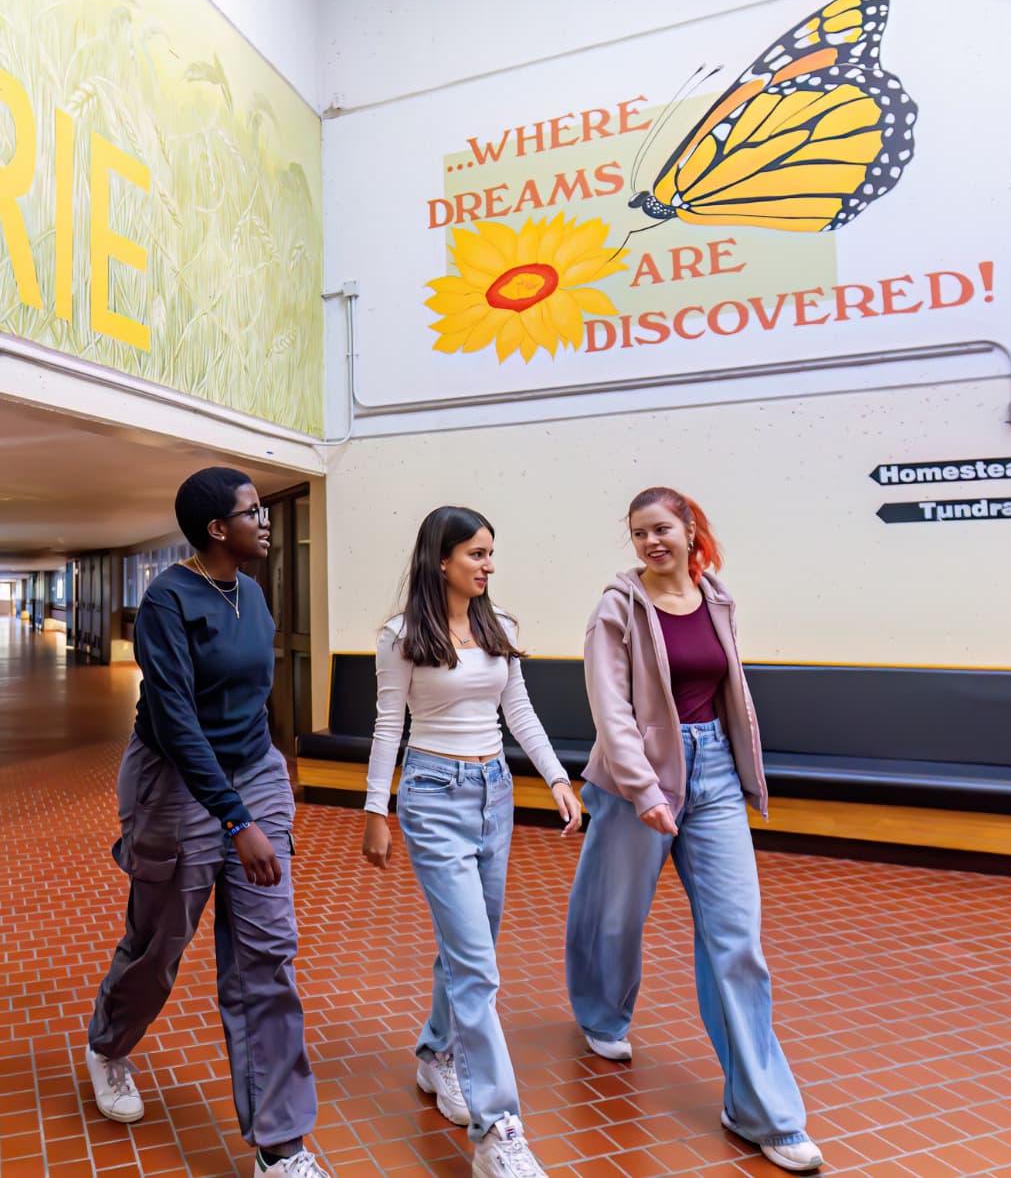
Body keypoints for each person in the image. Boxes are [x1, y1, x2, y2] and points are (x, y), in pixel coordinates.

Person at [564, 488, 824, 1173]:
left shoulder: (717, 598)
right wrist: (646, 790)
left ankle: (762, 1109)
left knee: (736, 940)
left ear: (690, 530)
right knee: (614, 916)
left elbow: (730, 691)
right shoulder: (615, 609)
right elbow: (611, 710)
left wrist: (740, 771)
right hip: (635, 780)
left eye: (663, 529)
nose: (652, 542)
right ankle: (601, 1014)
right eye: (639, 532)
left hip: (713, 781)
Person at [82, 468, 329, 1178]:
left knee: (267, 954)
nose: (265, 523)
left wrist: (267, 778)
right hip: (175, 781)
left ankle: (281, 1146)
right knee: (161, 940)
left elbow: (251, 695)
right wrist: (236, 818)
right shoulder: (167, 599)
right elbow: (175, 717)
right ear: (217, 529)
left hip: (250, 770)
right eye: (254, 513)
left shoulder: (251, 592)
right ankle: (107, 1042)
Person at [361, 507, 581, 1178]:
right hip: (431, 795)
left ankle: (438, 1053)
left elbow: (519, 710)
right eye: (476, 554)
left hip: (494, 793)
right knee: (478, 964)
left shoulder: (499, 625)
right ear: (441, 560)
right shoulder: (401, 635)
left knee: (471, 943)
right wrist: (377, 807)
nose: (487, 565)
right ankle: (498, 1129)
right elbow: (386, 722)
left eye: (491, 553)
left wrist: (556, 778)